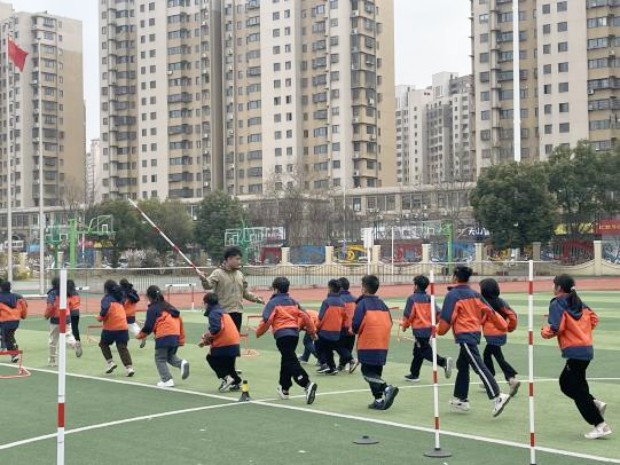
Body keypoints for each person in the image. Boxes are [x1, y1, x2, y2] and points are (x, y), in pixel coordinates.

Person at [541, 274, 612, 439]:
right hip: (586, 349)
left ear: (559, 287)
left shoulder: (557, 303)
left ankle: (599, 424)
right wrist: (581, 332)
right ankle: (594, 403)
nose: (552, 287)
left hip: (574, 350)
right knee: (575, 384)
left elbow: (556, 328)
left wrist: (544, 331)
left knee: (569, 385)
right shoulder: (578, 302)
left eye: (554, 284)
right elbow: (594, 319)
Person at [438, 265, 512, 417]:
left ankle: (497, 396)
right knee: (462, 365)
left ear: (455, 277)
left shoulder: (453, 296)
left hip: (465, 334)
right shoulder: (475, 294)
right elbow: (491, 312)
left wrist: (437, 330)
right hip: (474, 333)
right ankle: (461, 399)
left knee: (478, 366)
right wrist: (503, 326)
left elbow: (445, 323)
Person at [256, 277, 318, 405]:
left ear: (275, 289)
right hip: (294, 335)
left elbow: (267, 319)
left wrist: (259, 332)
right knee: (287, 359)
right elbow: (306, 317)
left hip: (282, 335)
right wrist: (312, 332)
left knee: (290, 360)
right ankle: (284, 388)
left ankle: (306, 383)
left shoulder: (273, 303)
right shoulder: (294, 302)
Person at [352, 274, 399, 410]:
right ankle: (378, 400)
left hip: (368, 343)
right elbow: (390, 322)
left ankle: (386, 388)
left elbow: (356, 325)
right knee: (376, 373)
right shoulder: (382, 304)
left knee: (366, 371)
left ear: (364, 288)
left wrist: (355, 330)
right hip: (382, 343)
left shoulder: (362, 304)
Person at [401, 275, 454, 382]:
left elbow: (408, 315)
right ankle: (414, 373)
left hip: (419, 330)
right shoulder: (430, 298)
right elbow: (438, 313)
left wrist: (404, 326)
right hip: (428, 329)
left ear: (416, 286)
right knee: (418, 351)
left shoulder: (412, 298)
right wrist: (434, 323)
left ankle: (443, 362)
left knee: (424, 351)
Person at [199, 246, 264, 332]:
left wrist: (256, 299)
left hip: (238, 313)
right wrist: (203, 279)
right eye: (237, 259)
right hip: (223, 313)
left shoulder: (240, 274)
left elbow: (244, 292)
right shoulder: (217, 273)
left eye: (240, 259)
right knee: (224, 337)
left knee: (235, 338)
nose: (239, 262)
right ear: (229, 259)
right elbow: (208, 286)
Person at [137, 285, 189, 388]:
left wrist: (140, 335)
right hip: (175, 335)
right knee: (170, 356)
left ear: (149, 297)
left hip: (164, 335)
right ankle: (182, 363)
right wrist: (181, 339)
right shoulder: (169, 307)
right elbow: (179, 320)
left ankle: (167, 380)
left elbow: (148, 326)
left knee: (159, 358)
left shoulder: (152, 309)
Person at [479, 278, 520, 396]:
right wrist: (509, 327)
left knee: (498, 357)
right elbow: (512, 315)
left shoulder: (484, 303)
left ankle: (511, 378)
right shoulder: (501, 302)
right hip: (500, 334)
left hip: (492, 335)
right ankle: (491, 378)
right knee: (489, 354)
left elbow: (481, 319)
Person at [201, 292, 241, 392]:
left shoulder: (213, 313)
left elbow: (216, 329)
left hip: (225, 343)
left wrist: (206, 337)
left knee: (211, 358)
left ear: (207, 303)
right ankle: (236, 382)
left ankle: (226, 378)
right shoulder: (223, 312)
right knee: (229, 365)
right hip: (234, 342)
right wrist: (206, 340)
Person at [97, 280, 134, 377]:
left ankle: (110, 362)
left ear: (106, 289)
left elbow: (105, 311)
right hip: (123, 326)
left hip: (111, 327)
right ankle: (129, 368)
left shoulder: (106, 299)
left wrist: (100, 318)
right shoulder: (120, 297)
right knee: (122, 347)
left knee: (103, 344)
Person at [316, 279, 352, 375]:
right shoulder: (342, 303)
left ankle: (324, 364)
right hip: (336, 331)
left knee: (318, 346)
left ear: (330, 288)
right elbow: (345, 317)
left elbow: (320, 317)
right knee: (329, 348)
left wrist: (316, 329)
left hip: (325, 331)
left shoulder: (326, 302)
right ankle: (332, 367)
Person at [45, 277, 80, 366]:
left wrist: (47, 314)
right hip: (66, 317)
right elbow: (71, 305)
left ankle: (52, 360)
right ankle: (74, 343)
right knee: (68, 335)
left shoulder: (52, 293)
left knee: (53, 340)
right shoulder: (66, 292)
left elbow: (50, 306)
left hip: (56, 318)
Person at [0, 280, 28, 363]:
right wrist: (23, 316)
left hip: (5, 320)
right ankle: (13, 348)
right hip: (15, 320)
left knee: (7, 338)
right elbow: (24, 306)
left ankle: (14, 354)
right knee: (10, 335)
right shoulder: (17, 296)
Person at [337, 277, 358, 372]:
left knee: (338, 345)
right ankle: (342, 365)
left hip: (342, 326)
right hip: (353, 326)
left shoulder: (338, 299)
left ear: (340, 287)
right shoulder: (355, 299)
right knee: (348, 347)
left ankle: (351, 360)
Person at [67, 280, 83, 357]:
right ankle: (78, 340)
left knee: (70, 328)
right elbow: (79, 301)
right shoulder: (76, 293)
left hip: (71, 312)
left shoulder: (68, 294)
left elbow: (68, 303)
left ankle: (74, 342)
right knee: (75, 327)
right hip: (77, 312)